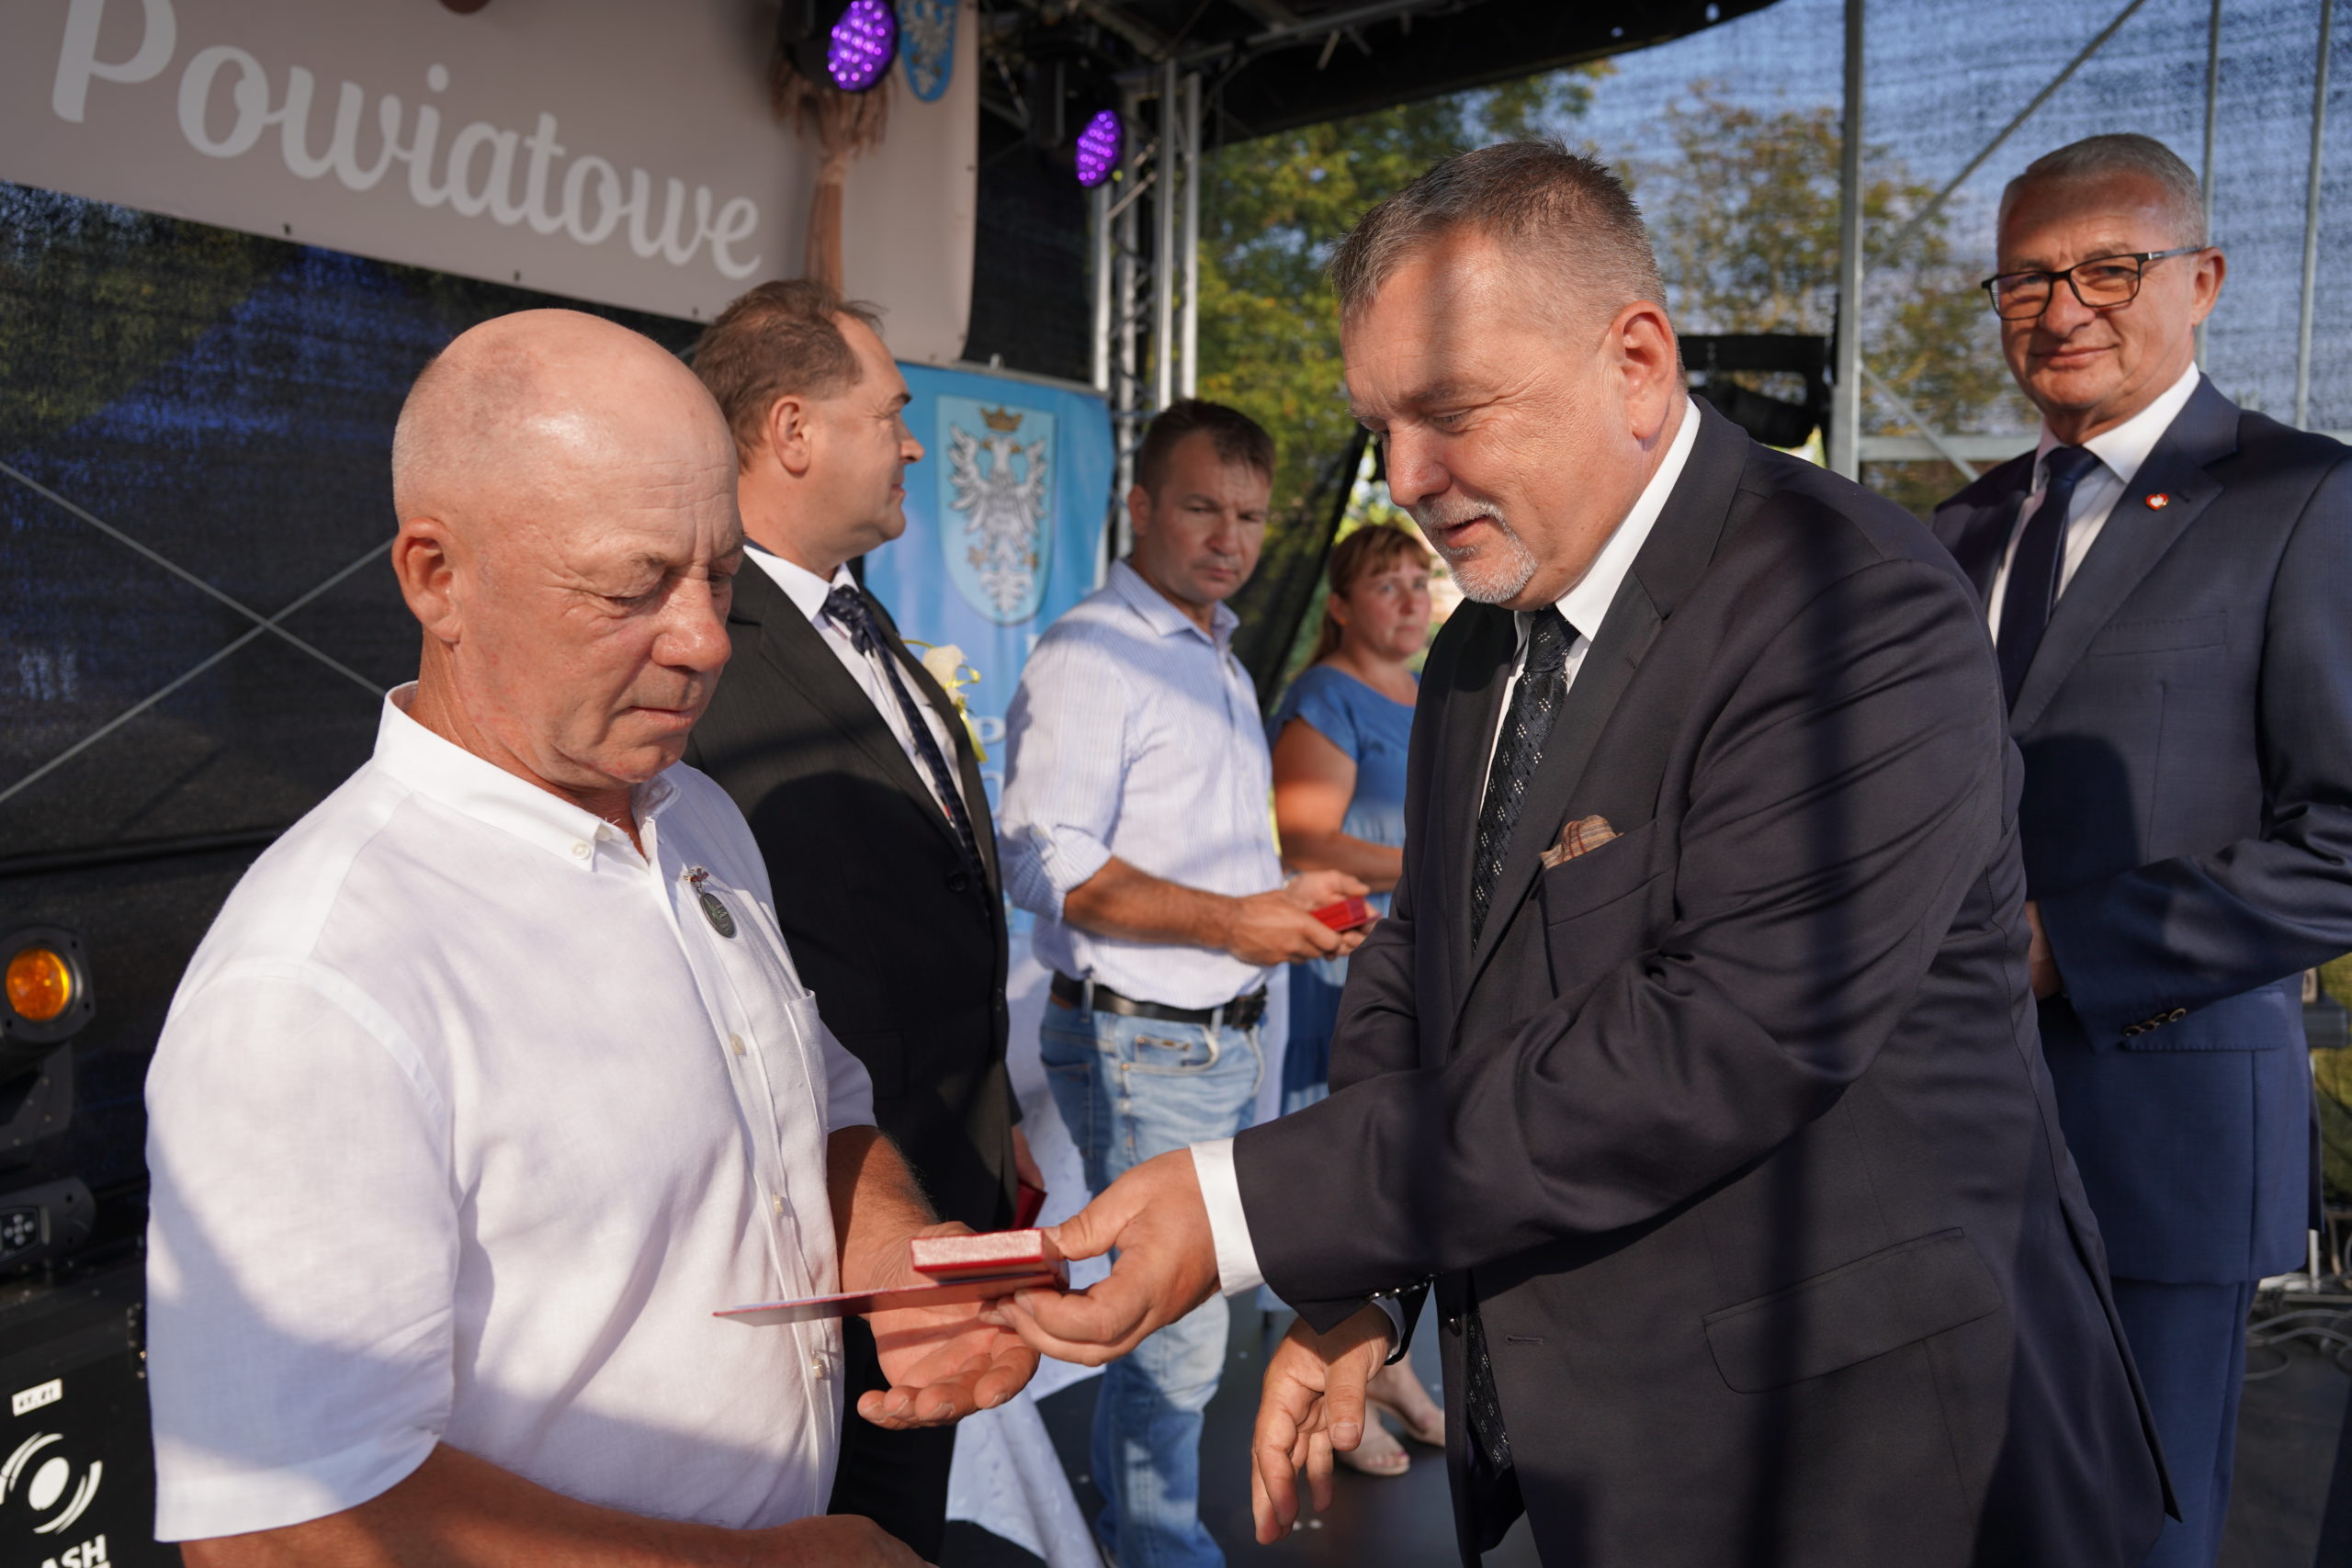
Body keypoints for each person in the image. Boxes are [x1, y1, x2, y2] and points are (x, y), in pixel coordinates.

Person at [994, 142, 2168, 1568]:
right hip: (1614, 1452)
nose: (1404, 477)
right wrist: (1361, 1279)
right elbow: (1426, 966)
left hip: (1859, 1461)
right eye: (1380, 426)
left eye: (1450, 414)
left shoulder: (1846, 599)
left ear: (1637, 362)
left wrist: (1248, 1204)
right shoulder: (1482, 639)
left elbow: (1721, 1037)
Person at [144, 309, 1036, 1568]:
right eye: (631, 587)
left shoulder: (697, 815)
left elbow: (819, 1102)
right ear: (436, 577)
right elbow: (283, 1527)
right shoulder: (314, 980)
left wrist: (895, 1246)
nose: (706, 639)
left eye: (720, 574)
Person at [1928, 133, 2352, 1568]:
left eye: (2109, 269)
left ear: (2203, 278)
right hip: (1946, 1135)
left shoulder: (2303, 499)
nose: (2063, 310)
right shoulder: (1964, 523)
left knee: (2137, 1540)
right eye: (2026, 280)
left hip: (2162, 1142)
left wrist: (2067, 945)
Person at [682, 278, 1041, 1560]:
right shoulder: (704, 648)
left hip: (937, 1196)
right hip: (822, 1241)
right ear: (791, 429)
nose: (912, 445)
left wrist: (992, 1121)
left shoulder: (849, 608)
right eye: (890, 413)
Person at [997, 397, 1368, 1568]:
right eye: (1203, 508)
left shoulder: (1213, 648)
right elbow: (1041, 858)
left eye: (1250, 516)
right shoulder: (1091, 650)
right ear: (1141, 505)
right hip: (1145, 1041)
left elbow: (1193, 848)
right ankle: (1160, 1555)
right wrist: (1234, 920)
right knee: (1175, 1342)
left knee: (1187, 1337)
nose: (1230, 539)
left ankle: (1145, 1540)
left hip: (1211, 1036)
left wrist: (1285, 893)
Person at [1265, 523, 1445, 1478]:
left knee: (1401, 1173)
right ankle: (1333, 1393)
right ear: (1339, 605)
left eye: (1421, 578)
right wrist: (1439, 865)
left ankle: (1390, 1370)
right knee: (1344, 1176)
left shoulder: (1429, 688)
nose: (1412, 597)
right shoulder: (1325, 697)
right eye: (1388, 583)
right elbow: (1307, 841)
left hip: (1417, 968)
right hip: (1345, 969)